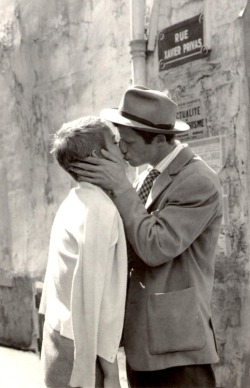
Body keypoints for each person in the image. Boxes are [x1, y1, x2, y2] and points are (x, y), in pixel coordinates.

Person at [70, 85, 223, 388]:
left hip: (178, 348)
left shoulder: (198, 181)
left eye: (127, 142)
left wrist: (121, 188)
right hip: (143, 344)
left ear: (157, 139)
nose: (122, 151)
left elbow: (154, 247)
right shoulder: (145, 176)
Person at [39, 116, 127, 388]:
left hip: (60, 342)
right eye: (114, 142)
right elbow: (89, 299)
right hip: (81, 358)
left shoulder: (74, 201)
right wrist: (108, 373)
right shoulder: (98, 211)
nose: (122, 147)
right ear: (98, 157)